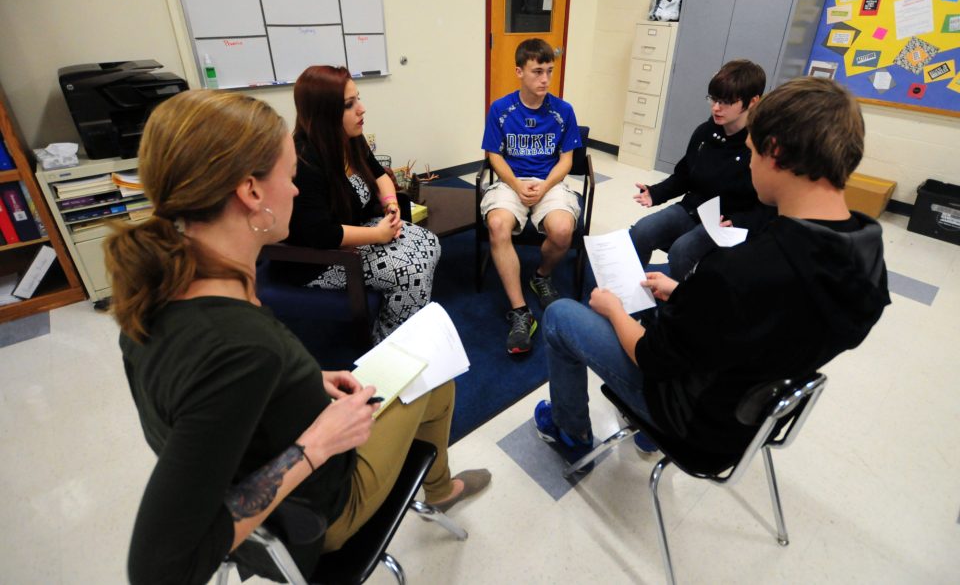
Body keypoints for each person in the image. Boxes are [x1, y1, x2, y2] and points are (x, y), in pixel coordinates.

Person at [105, 90, 489, 584]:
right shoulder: (241, 347)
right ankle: (440, 490)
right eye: (288, 178)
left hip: (272, 475)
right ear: (251, 192)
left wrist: (302, 381)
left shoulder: (154, 292)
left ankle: (437, 488)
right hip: (315, 513)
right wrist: (316, 443)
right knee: (434, 375)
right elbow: (160, 570)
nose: (295, 190)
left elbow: (211, 412)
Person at [534, 77, 891, 470]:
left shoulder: (738, 270)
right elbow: (763, 322)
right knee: (653, 300)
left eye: (752, 152)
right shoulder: (867, 255)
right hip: (751, 419)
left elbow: (652, 358)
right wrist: (689, 297)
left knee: (560, 316)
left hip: (693, 423)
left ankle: (571, 432)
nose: (749, 163)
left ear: (775, 152)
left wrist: (613, 309)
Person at [284, 65, 440, 341]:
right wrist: (378, 234)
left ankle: (400, 324)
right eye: (349, 104)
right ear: (324, 114)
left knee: (429, 243)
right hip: (321, 259)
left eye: (358, 98)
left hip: (356, 232)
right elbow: (321, 234)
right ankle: (388, 347)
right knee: (412, 270)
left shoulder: (349, 139)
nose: (362, 109)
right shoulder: (305, 161)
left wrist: (391, 204)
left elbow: (379, 174)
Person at [481, 38, 583, 354]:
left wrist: (545, 185)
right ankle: (521, 312)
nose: (545, 80)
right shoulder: (500, 109)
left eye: (549, 71)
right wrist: (514, 184)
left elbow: (566, 160)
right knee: (497, 224)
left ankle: (541, 275)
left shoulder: (563, 111)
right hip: (511, 182)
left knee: (563, 230)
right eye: (537, 71)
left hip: (549, 183)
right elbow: (493, 155)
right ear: (519, 71)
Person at [630, 59, 774, 279]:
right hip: (693, 209)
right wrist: (656, 192)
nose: (716, 107)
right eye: (714, 99)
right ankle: (630, 293)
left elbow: (770, 207)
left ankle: (678, 306)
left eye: (726, 101)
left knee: (682, 251)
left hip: (725, 222)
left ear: (753, 101)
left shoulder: (760, 145)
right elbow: (685, 175)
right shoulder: (705, 132)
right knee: (641, 231)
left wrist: (740, 222)